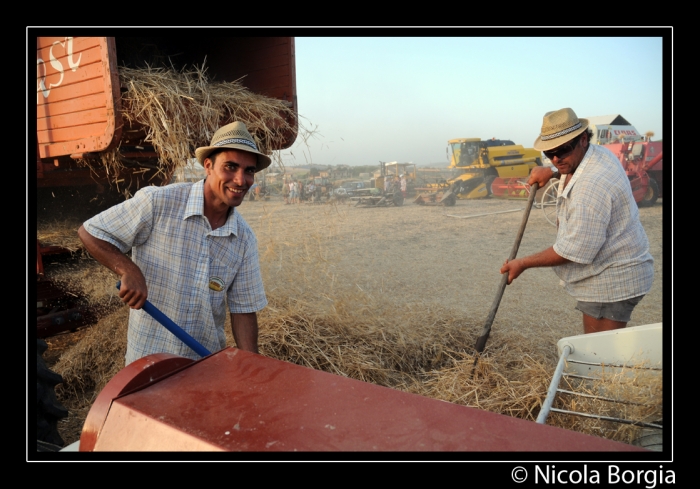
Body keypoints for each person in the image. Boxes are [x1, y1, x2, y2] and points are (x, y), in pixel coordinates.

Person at [78, 121, 269, 364]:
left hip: (203, 365)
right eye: (230, 167)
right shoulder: (158, 203)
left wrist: (253, 367)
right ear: (208, 166)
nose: (241, 180)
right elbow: (90, 231)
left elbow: (243, 310)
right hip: (148, 364)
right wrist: (128, 270)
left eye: (249, 170)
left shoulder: (243, 239)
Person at [500, 108, 654, 334]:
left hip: (612, 278)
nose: (555, 158)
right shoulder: (596, 153)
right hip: (609, 268)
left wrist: (523, 263)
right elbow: (575, 166)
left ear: (583, 139)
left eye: (562, 150)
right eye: (549, 153)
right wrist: (552, 172)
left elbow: (573, 250)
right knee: (599, 350)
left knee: (598, 353)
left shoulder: (590, 189)